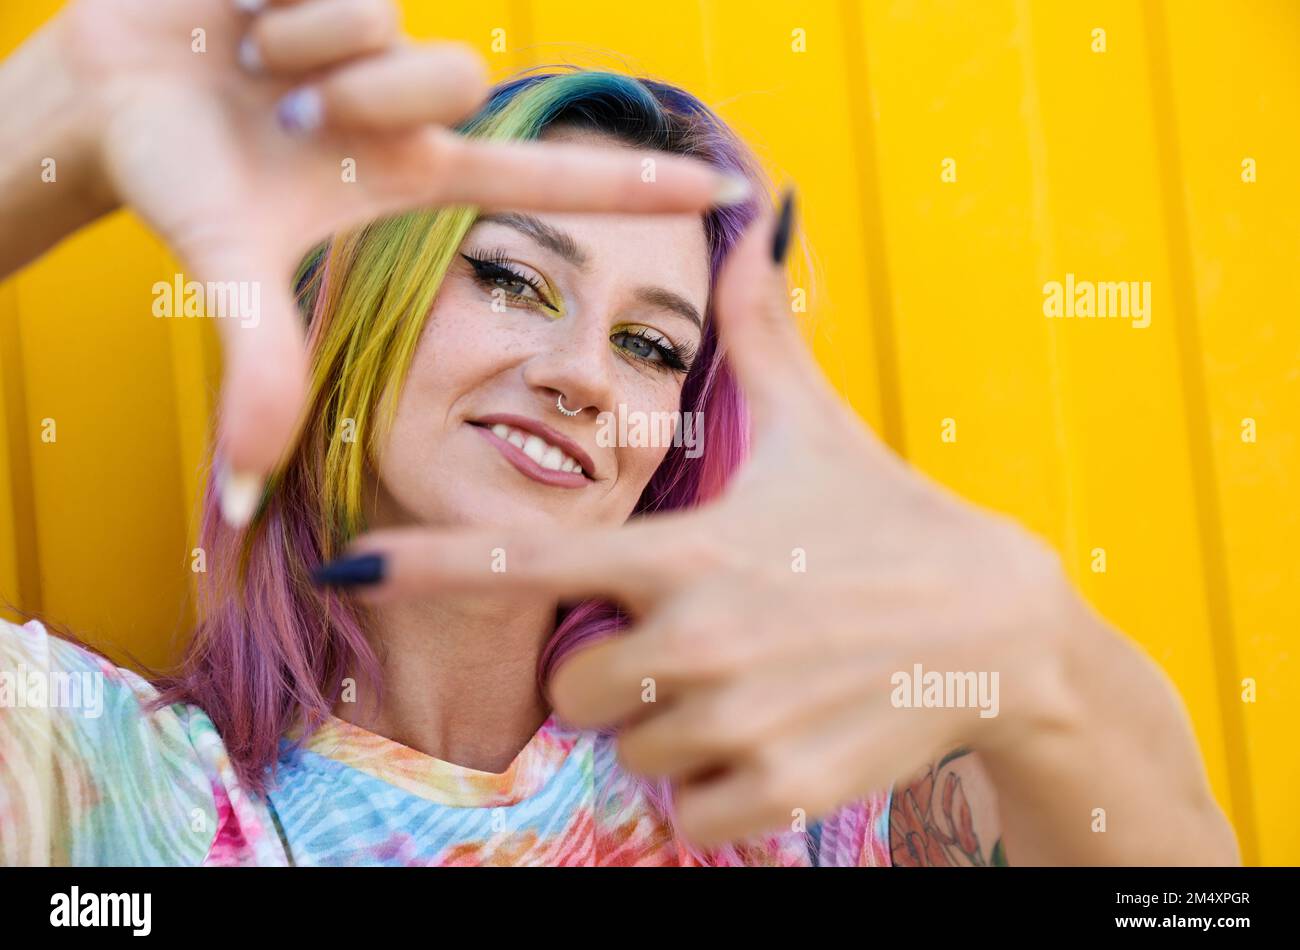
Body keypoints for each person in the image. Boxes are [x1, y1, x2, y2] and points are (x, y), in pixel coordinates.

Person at [0, 0, 1239, 866]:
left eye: (651, 346)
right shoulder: (104, 790)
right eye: (512, 279)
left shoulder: (782, 796)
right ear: (360, 307)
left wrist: (1043, 649)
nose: (583, 374)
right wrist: (37, 135)